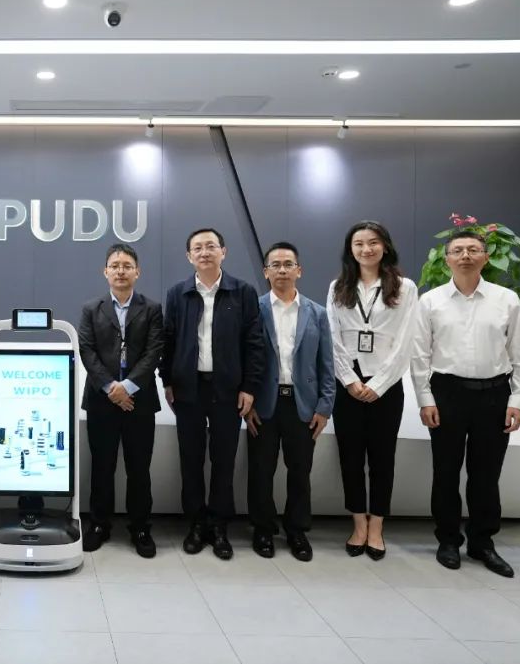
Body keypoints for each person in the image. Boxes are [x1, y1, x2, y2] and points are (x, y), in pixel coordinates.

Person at [411, 231, 520, 578]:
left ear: (485, 256)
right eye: (458, 250)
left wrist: (518, 401)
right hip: (447, 393)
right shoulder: (430, 301)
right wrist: (425, 399)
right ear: (447, 258)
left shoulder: (506, 299)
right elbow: (419, 355)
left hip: (494, 394)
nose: (465, 255)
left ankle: (482, 543)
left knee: (486, 475)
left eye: (473, 249)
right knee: (445, 472)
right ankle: (448, 540)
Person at [161, 228, 265, 560]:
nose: (204, 252)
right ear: (189, 256)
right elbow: (168, 340)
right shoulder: (177, 293)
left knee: (224, 460)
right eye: (197, 248)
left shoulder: (242, 292)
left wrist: (249, 387)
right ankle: (196, 523)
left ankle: (219, 525)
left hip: (228, 389)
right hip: (188, 388)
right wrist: (167, 381)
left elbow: (254, 343)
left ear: (223, 251)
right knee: (190, 460)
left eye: (210, 246)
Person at [326, 220, 418, 560]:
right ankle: (358, 524)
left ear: (385, 246)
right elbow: (332, 337)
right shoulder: (339, 287)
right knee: (350, 458)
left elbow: (406, 340)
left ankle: (376, 526)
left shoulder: (405, 287)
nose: (366, 249)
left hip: (386, 386)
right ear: (350, 250)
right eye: (359, 243)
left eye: (373, 242)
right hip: (348, 386)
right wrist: (349, 379)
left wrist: (378, 384)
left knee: (382, 459)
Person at [245, 242, 335, 562]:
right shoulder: (253, 310)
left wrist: (325, 407)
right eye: (275, 265)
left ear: (299, 270)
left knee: (300, 471)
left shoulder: (317, 313)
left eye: (288, 264)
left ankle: (296, 530)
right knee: (260, 471)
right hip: (263, 406)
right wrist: (247, 404)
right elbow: (245, 360)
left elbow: (327, 364)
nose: (282, 270)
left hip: (302, 405)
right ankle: (263, 528)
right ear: (265, 272)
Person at [78, 243, 164, 558]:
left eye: (127, 266)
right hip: (101, 401)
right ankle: (99, 525)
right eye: (115, 266)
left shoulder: (151, 308)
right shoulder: (91, 308)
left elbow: (154, 351)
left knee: (139, 468)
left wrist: (127, 387)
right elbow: (87, 350)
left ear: (137, 272)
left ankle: (140, 527)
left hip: (139, 402)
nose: (120, 271)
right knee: (102, 466)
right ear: (105, 271)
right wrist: (111, 388)